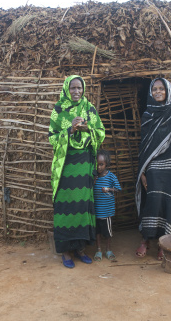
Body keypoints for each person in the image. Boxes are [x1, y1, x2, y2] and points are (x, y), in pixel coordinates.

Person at [135, 77, 171, 260]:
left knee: (169, 203)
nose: (158, 92)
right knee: (152, 201)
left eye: (162, 88)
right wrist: (143, 172)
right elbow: (145, 147)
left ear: (168, 90)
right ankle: (146, 239)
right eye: (155, 89)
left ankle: (164, 242)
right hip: (153, 166)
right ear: (151, 93)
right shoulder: (148, 115)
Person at [49, 75, 105, 268]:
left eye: (79, 88)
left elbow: (101, 132)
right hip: (65, 165)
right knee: (66, 208)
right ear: (66, 88)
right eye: (72, 87)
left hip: (84, 164)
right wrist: (70, 130)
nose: (76, 91)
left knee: (82, 207)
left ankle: (80, 249)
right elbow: (52, 138)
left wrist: (87, 128)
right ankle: (65, 251)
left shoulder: (89, 108)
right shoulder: (58, 110)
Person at [93, 149, 121, 261]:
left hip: (107, 211)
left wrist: (108, 189)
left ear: (106, 164)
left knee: (108, 232)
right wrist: (92, 182)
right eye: (97, 164)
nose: (99, 167)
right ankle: (98, 250)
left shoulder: (111, 177)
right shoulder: (94, 177)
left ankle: (108, 250)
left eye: (101, 164)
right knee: (97, 232)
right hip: (96, 211)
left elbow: (118, 189)